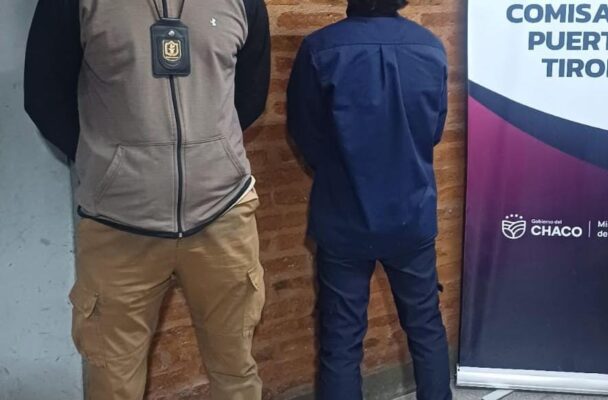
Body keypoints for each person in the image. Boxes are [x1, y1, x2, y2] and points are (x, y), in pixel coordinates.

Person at [24, 0, 270, 398]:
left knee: (236, 375)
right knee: (113, 383)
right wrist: (110, 164)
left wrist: (211, 155)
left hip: (224, 216)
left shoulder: (243, 3)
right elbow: (44, 96)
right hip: (117, 227)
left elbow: (251, 95)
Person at [287, 0, 451, 399]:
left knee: (341, 339)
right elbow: (433, 131)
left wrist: (340, 167)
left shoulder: (320, 49)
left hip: (343, 215)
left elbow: (305, 133)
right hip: (410, 213)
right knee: (426, 327)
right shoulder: (430, 47)